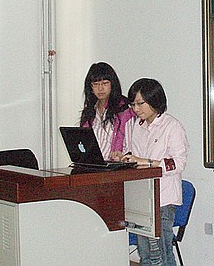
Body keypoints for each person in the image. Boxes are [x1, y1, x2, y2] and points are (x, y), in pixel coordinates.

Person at [121, 78, 189, 266]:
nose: (136, 109)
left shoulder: (171, 126)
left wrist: (148, 162)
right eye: (133, 104)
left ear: (154, 100)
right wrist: (124, 157)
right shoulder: (133, 126)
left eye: (140, 103)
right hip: (140, 196)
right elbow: (130, 153)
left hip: (163, 198)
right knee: (145, 254)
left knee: (161, 254)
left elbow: (179, 163)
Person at [79, 62, 136, 161]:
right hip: (92, 165)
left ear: (112, 84)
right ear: (90, 87)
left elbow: (130, 148)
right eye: (95, 84)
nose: (100, 88)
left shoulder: (124, 110)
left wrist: (121, 156)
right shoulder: (89, 111)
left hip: (116, 167)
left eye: (105, 83)